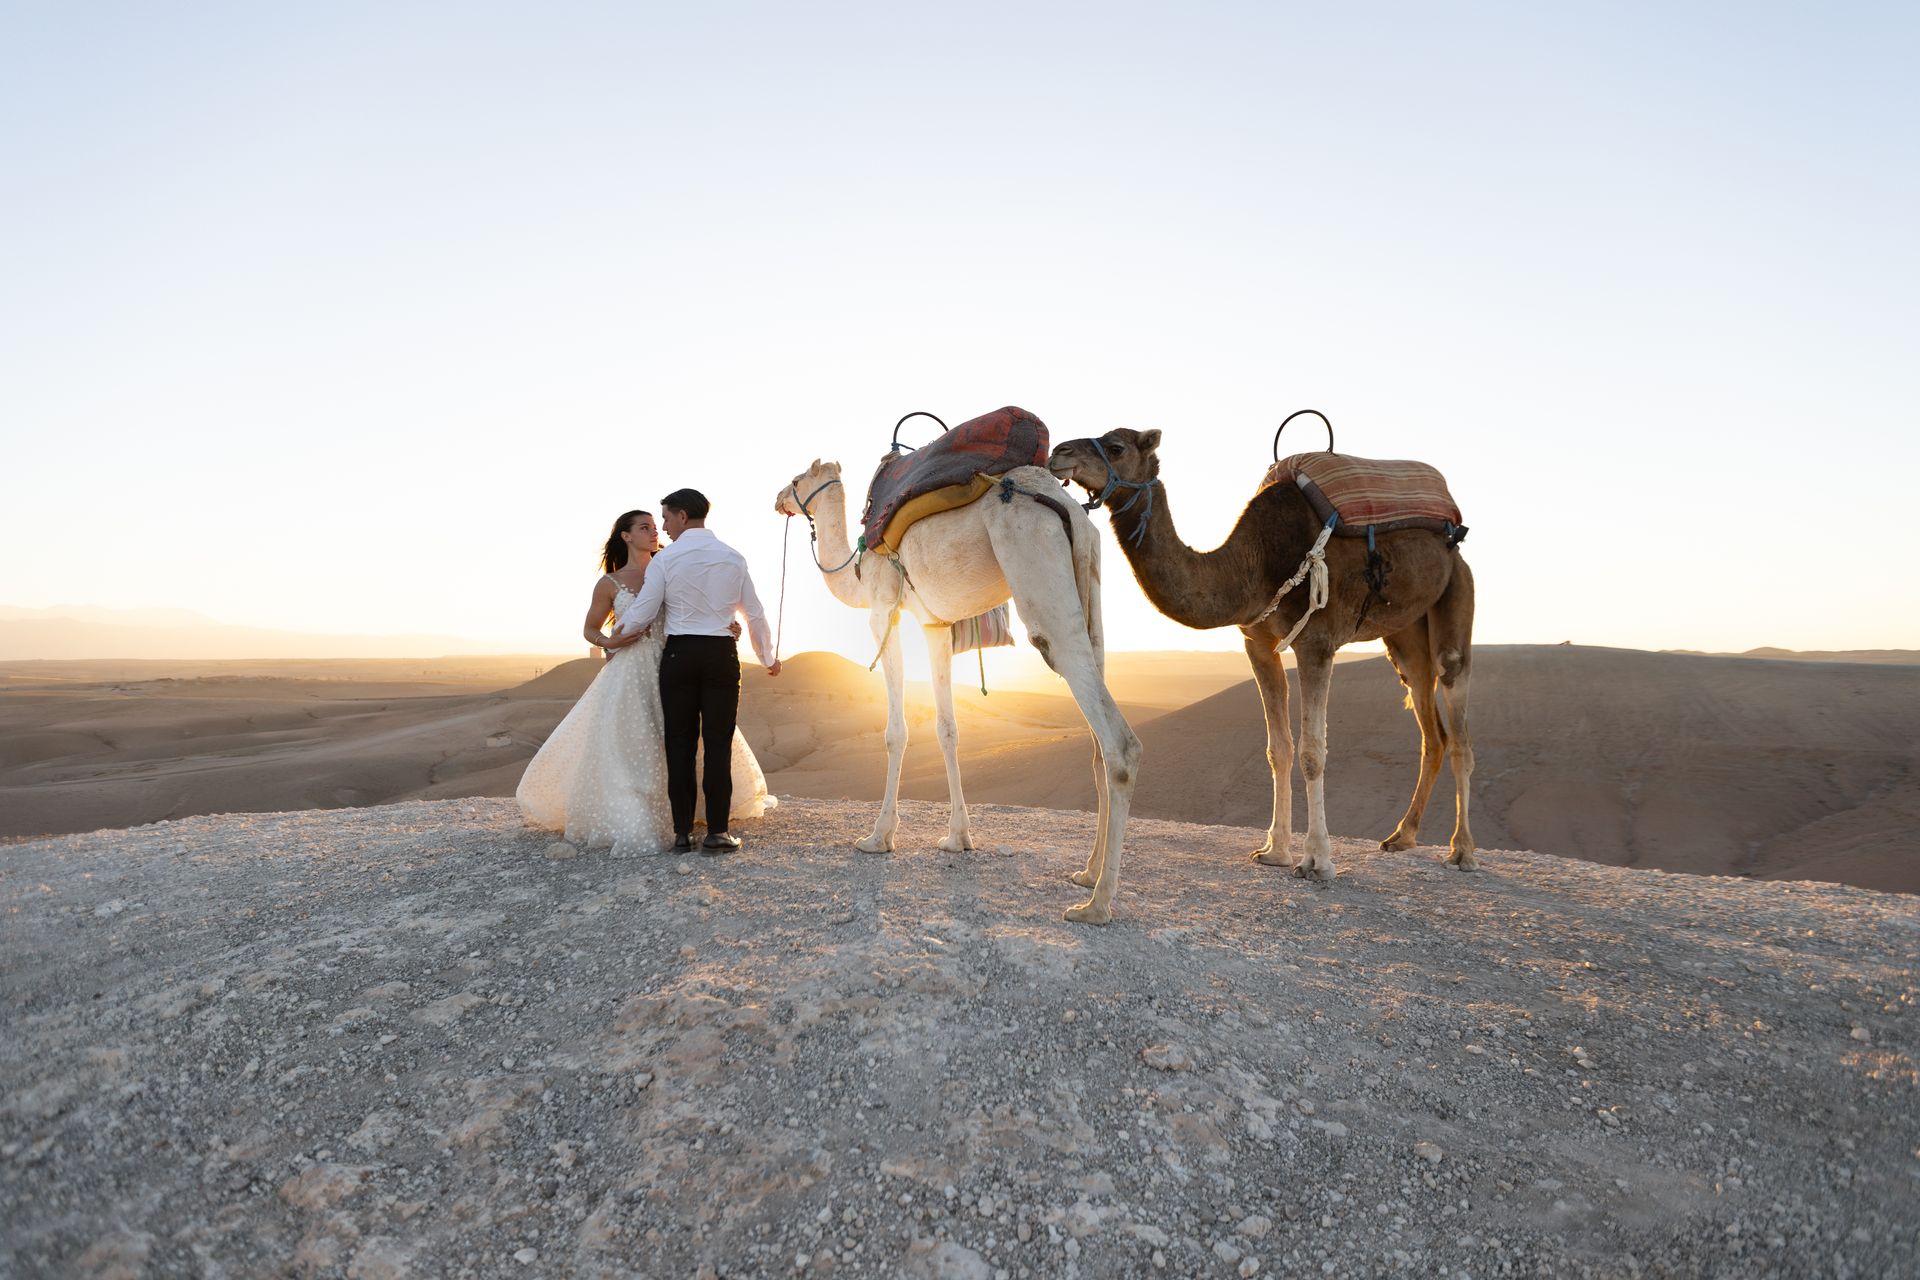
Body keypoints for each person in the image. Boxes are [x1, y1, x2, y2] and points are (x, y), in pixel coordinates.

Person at [515, 509, 772, 855]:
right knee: (634, 742)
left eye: (656, 526)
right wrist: (609, 643)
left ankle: (686, 821)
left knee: (680, 743)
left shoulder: (670, 566)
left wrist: (726, 624)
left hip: (673, 660)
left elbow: (699, 603)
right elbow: (590, 628)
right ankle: (642, 816)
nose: (655, 532)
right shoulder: (610, 583)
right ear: (625, 536)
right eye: (644, 527)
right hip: (632, 669)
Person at [615, 487, 781, 854]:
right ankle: (718, 832)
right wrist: (768, 657)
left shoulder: (666, 560)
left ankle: (681, 833)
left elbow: (643, 611)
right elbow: (753, 612)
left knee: (680, 744)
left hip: (680, 656)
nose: (664, 527)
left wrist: (614, 637)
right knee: (719, 744)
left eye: (667, 518)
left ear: (683, 516)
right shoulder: (733, 558)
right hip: (721, 655)